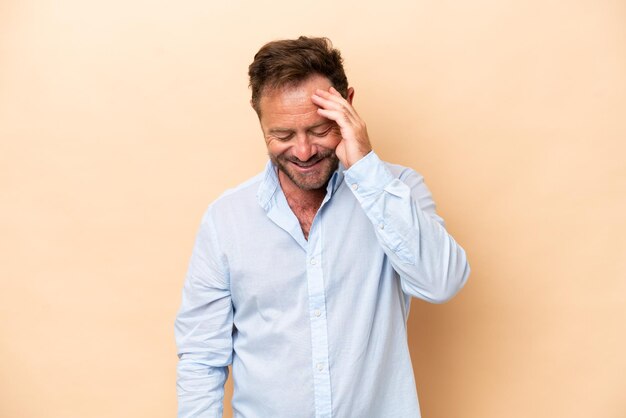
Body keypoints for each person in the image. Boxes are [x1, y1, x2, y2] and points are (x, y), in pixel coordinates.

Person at [175, 36, 470, 418]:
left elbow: (441, 282)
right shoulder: (226, 219)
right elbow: (201, 357)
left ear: (347, 105)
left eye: (318, 130)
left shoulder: (398, 191)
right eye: (282, 135)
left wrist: (366, 169)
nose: (303, 151)